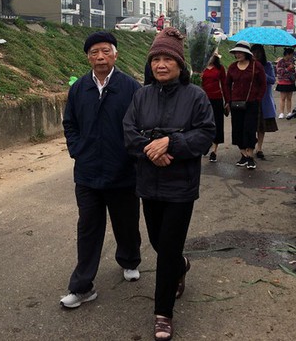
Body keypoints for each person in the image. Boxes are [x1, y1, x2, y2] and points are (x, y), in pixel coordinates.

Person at [123, 27, 214, 341]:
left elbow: (205, 134)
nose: (160, 65)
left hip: (181, 187)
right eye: (155, 59)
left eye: (167, 59)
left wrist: (171, 144)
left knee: (167, 249)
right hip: (149, 184)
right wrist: (153, 150)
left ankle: (163, 313)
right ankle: (181, 265)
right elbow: (129, 132)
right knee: (158, 242)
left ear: (179, 64)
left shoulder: (196, 96)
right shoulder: (141, 95)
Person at [60, 31, 142, 309]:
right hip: (87, 173)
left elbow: (141, 125)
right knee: (88, 228)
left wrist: (132, 155)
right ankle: (82, 286)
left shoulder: (130, 87)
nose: (100, 57)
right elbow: (69, 123)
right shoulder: (79, 88)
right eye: (94, 52)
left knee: (126, 222)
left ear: (115, 54)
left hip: (123, 172)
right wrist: (77, 149)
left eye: (105, 51)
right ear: (88, 57)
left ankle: (130, 260)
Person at [226, 41, 267, 169]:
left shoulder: (256, 66)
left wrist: (258, 98)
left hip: (252, 103)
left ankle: (250, 156)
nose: (237, 54)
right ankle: (243, 154)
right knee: (237, 129)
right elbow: (227, 85)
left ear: (246, 53)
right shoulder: (232, 67)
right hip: (236, 103)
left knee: (249, 129)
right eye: (236, 52)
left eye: (240, 52)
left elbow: (263, 84)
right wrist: (228, 100)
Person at [250, 44, 278, 160]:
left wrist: (262, 73)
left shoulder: (268, 65)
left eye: (258, 53)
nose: (256, 55)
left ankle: (259, 148)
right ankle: (250, 146)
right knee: (251, 125)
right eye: (253, 52)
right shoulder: (248, 65)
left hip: (264, 99)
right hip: (251, 98)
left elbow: (272, 80)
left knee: (262, 126)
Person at [201, 52, 229, 162]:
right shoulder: (201, 68)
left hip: (217, 99)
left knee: (217, 123)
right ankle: (206, 143)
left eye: (212, 55)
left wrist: (227, 101)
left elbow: (224, 84)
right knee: (204, 123)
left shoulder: (220, 68)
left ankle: (214, 150)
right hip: (204, 100)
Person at [275, 47, 296, 118]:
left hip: (290, 82)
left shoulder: (292, 61)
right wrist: (288, 68)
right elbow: (280, 72)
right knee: (283, 98)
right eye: (291, 54)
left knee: (289, 98)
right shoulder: (280, 62)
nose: (292, 56)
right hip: (283, 82)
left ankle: (289, 112)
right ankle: (281, 113)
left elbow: (293, 71)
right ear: (287, 54)